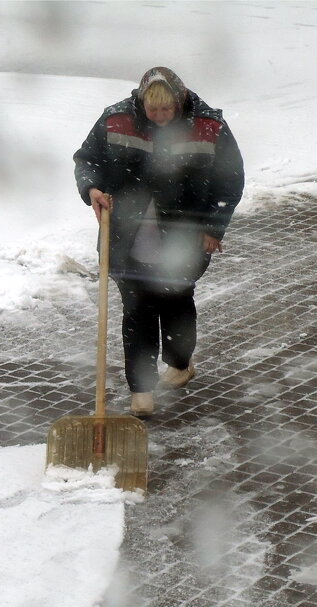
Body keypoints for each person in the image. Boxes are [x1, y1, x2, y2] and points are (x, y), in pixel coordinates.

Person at [74, 66, 244, 417]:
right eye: (153, 110)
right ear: (142, 102)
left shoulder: (208, 125)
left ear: (180, 100)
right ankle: (141, 390)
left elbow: (230, 180)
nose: (161, 117)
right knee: (136, 310)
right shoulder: (117, 119)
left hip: (183, 237)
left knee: (176, 302)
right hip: (127, 233)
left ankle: (180, 363)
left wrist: (213, 227)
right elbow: (88, 159)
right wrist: (91, 188)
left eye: (167, 110)